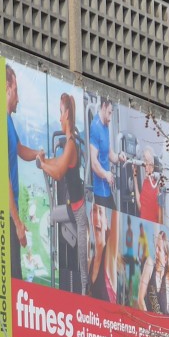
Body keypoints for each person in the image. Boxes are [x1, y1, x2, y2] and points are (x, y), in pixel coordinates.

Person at [37, 93, 88, 294]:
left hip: (79, 212)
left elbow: (58, 173)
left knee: (83, 266)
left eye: (60, 112)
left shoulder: (71, 145)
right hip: (71, 209)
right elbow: (57, 163)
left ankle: (84, 293)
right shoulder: (68, 145)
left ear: (66, 114)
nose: (59, 118)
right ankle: (56, 265)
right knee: (52, 216)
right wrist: (44, 161)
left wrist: (43, 165)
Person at [6, 66, 40, 281]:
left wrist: (38, 154)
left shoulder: (9, 121)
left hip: (12, 210)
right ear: (7, 88)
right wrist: (17, 222)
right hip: (7, 213)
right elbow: (5, 180)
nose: (18, 98)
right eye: (16, 90)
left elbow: (19, 149)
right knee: (13, 278)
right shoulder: (0, 120)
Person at [87, 99, 119, 303]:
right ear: (102, 108)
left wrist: (119, 158)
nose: (110, 116)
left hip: (108, 189)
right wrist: (106, 174)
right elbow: (94, 162)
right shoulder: (95, 127)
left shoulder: (106, 127)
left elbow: (109, 154)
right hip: (100, 189)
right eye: (109, 112)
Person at [138, 146, 161, 225]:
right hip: (143, 224)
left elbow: (159, 214)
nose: (146, 166)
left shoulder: (157, 185)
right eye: (145, 162)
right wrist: (134, 177)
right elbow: (141, 207)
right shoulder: (145, 182)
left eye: (148, 162)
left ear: (153, 165)